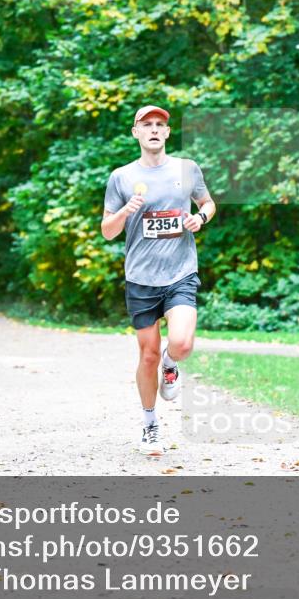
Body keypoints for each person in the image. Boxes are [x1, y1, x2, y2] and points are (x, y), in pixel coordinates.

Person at [101, 105, 216, 456]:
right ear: (136, 133)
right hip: (140, 277)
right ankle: (150, 425)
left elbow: (208, 203)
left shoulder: (186, 169)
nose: (153, 129)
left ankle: (172, 364)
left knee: (180, 343)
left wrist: (200, 218)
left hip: (181, 271)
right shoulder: (121, 177)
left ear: (167, 133)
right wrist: (126, 210)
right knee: (147, 354)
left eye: (159, 125)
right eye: (146, 124)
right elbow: (108, 231)